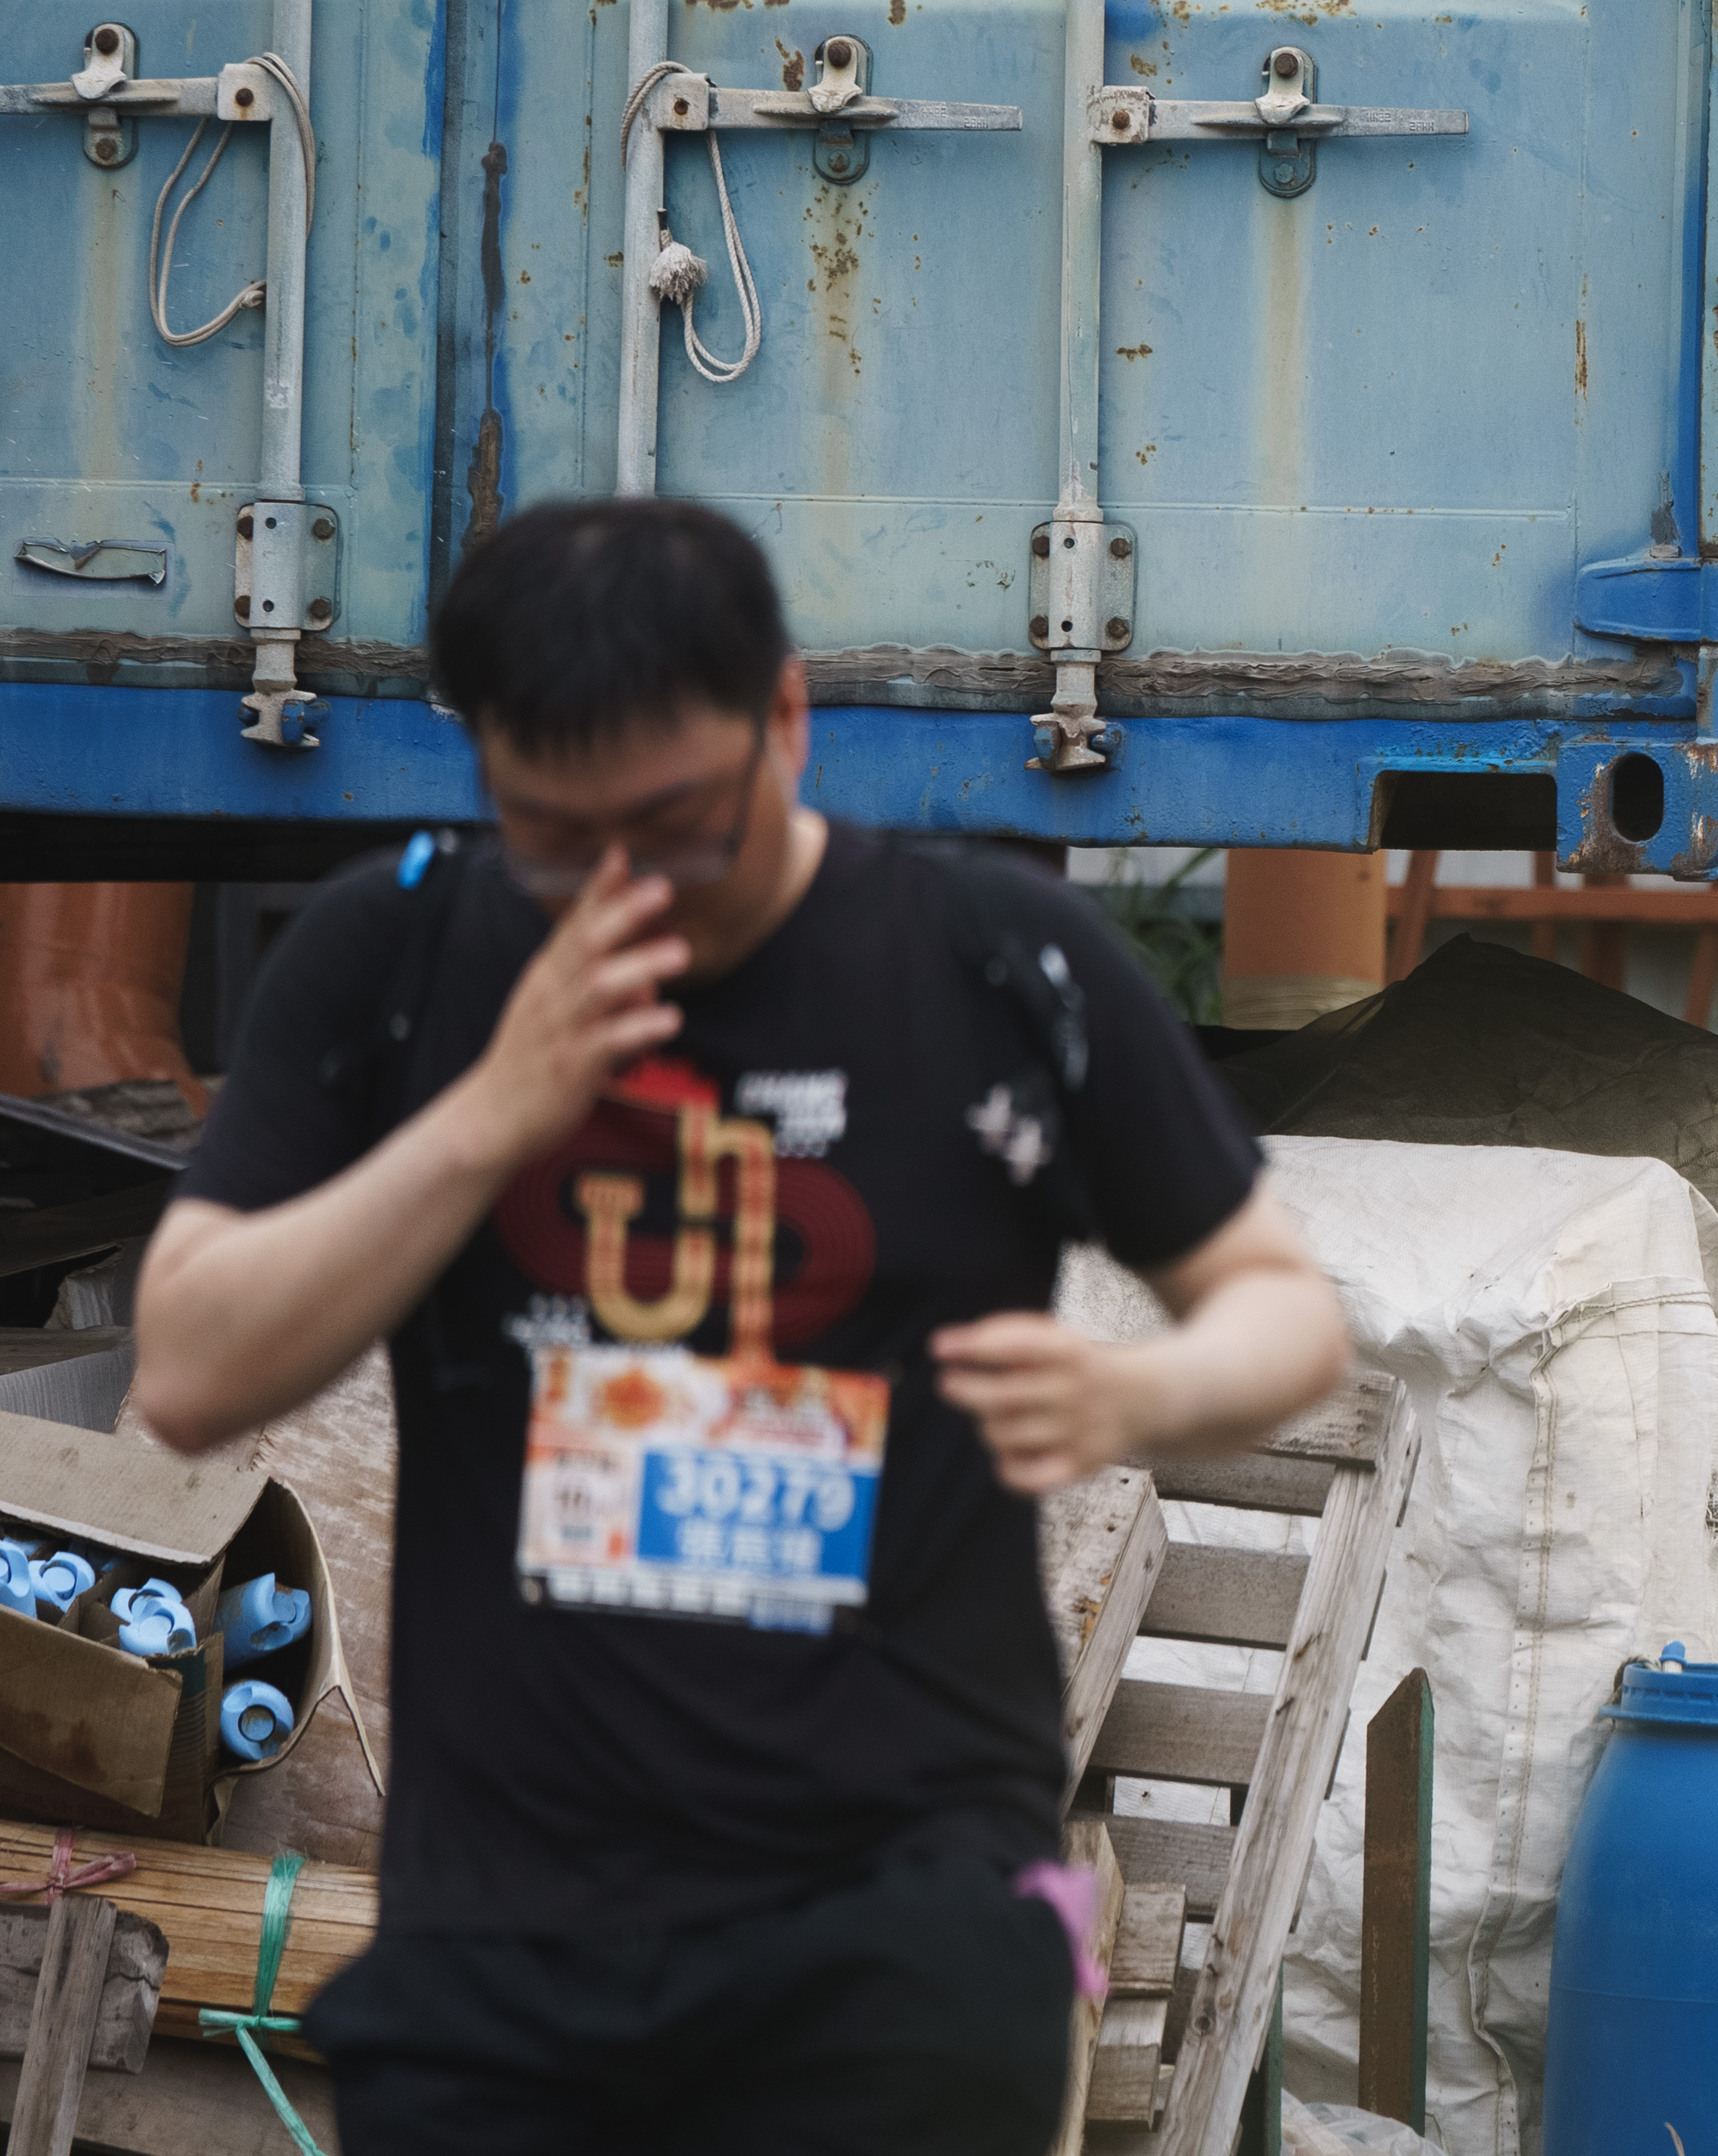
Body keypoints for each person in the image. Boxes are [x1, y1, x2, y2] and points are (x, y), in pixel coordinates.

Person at [134, 500, 1355, 2155]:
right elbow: (190, 1371)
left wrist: (1136, 1389)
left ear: (786, 718)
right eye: (555, 834)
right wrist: (488, 1115)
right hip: (509, 1948)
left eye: (679, 823)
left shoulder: (1002, 967)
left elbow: (1287, 1322)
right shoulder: (398, 957)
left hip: (898, 1943)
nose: (631, 883)